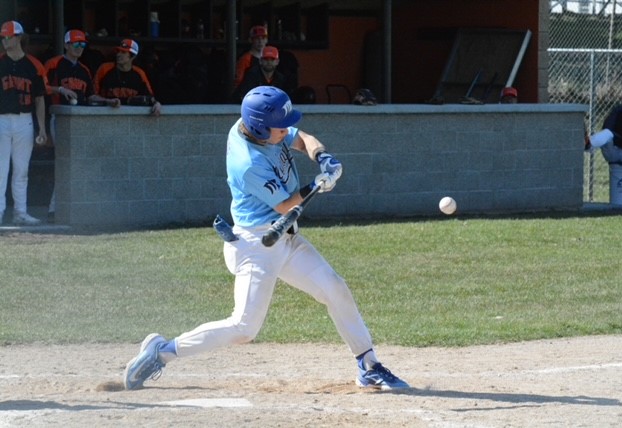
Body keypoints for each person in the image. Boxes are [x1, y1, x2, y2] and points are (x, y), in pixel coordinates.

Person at [123, 86, 410, 391]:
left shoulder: (259, 126)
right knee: (244, 327)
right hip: (257, 245)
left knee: (335, 288)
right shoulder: (248, 163)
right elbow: (287, 205)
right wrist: (317, 184)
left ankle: (368, 366)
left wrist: (323, 157)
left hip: (285, 237)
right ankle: (162, 352)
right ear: (259, 127)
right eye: (279, 125)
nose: (285, 129)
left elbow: (301, 138)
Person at [43, 29, 120, 221]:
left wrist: (108, 101)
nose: (79, 48)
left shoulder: (84, 70)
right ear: (67, 45)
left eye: (83, 45)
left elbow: (90, 94)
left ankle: (70, 208)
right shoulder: (54, 64)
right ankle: (54, 209)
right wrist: (60, 89)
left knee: (78, 165)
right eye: (76, 44)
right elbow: (40, 86)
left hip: (79, 121)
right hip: (59, 117)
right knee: (64, 163)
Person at [0, 21, 47, 226]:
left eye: (8, 37)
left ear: (19, 37)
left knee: (21, 169)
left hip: (25, 121)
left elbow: (39, 98)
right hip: (1, 119)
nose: (4, 40)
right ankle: (0, 211)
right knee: (0, 169)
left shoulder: (34, 65)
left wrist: (42, 128)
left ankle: (20, 211)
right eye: (3, 37)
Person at [587, 80, 622, 211]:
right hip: (613, 150)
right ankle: (588, 144)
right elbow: (608, 129)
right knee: (607, 133)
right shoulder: (619, 111)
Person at [93, 39, 161, 115]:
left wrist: (156, 103)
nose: (118, 54)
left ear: (133, 56)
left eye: (123, 52)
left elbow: (150, 97)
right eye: (118, 51)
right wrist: (107, 101)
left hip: (131, 119)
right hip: (106, 115)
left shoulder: (139, 73)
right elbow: (92, 97)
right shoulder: (104, 69)